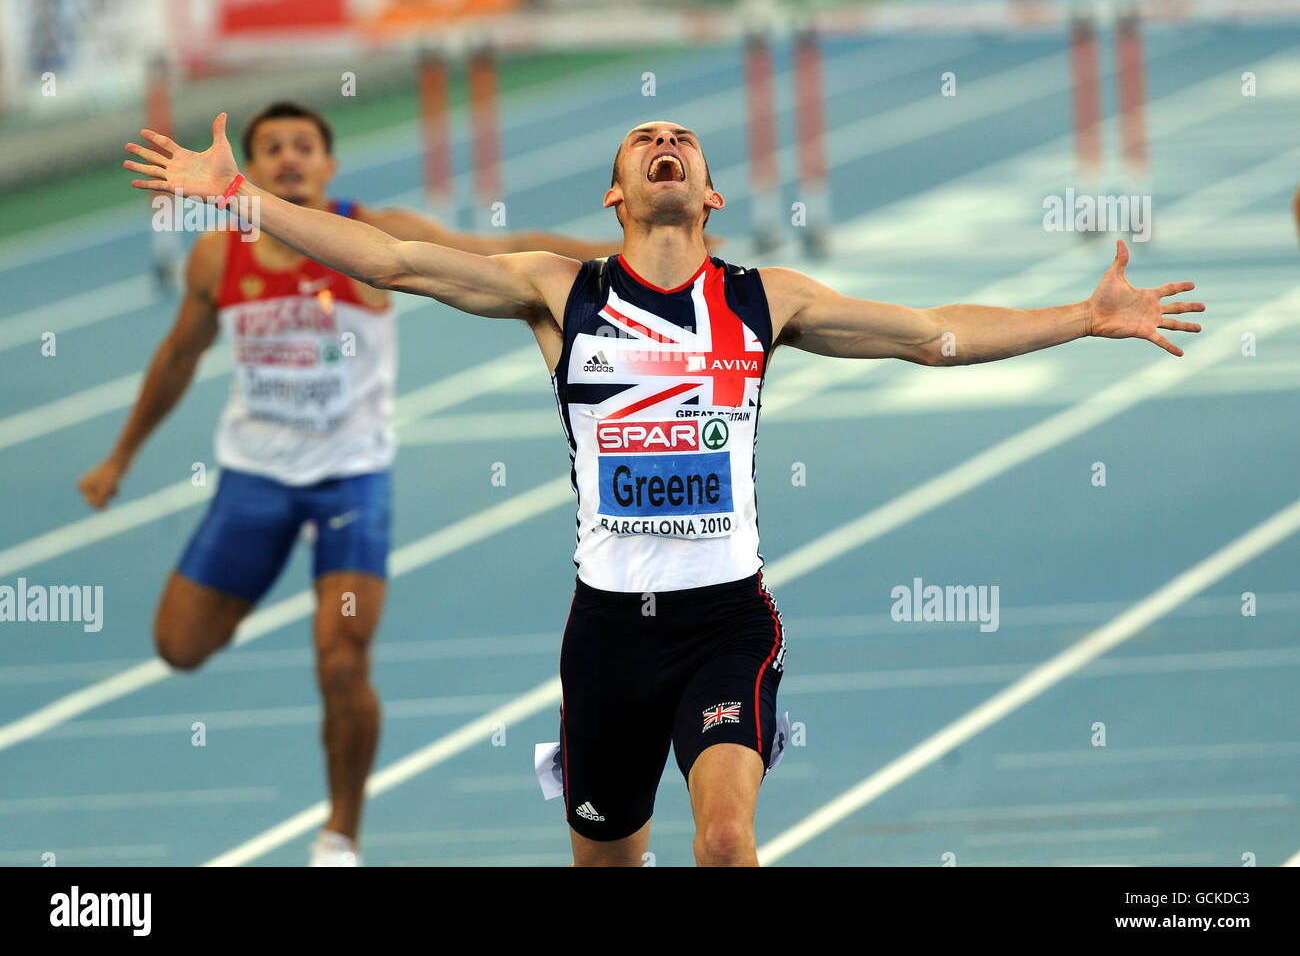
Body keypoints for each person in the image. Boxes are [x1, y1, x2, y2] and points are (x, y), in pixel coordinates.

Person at [121, 115, 1204, 867]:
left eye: (682, 140)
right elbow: (392, 260)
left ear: (711, 191)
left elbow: (931, 337)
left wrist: (1079, 315)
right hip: (605, 636)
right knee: (608, 853)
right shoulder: (557, 291)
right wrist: (240, 199)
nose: (665, 144)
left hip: (725, 620)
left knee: (725, 841)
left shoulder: (764, 298)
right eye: (644, 143)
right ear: (616, 192)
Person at [81, 102, 620, 866]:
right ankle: (244, 578)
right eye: (272, 149)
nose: (290, 159)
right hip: (255, 479)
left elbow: (503, 255)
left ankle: (341, 834)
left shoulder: (375, 233)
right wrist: (121, 457)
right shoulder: (216, 256)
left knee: (340, 659)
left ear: (330, 166)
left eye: (305, 147)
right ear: (251, 167)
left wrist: (621, 262)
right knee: (178, 644)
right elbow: (176, 357)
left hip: (350, 482)